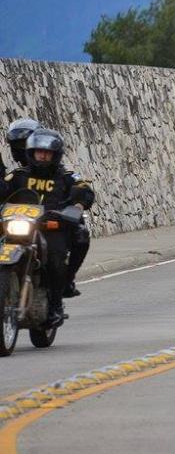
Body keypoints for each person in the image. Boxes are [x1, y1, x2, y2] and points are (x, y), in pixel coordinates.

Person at [0, 129, 95, 326]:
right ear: (31, 153)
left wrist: (77, 204)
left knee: (56, 257)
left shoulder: (66, 176)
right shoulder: (18, 176)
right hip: (20, 225)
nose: (42, 156)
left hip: (51, 226)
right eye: (38, 152)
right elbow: (3, 189)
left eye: (47, 153)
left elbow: (83, 188)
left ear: (55, 154)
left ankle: (56, 303)